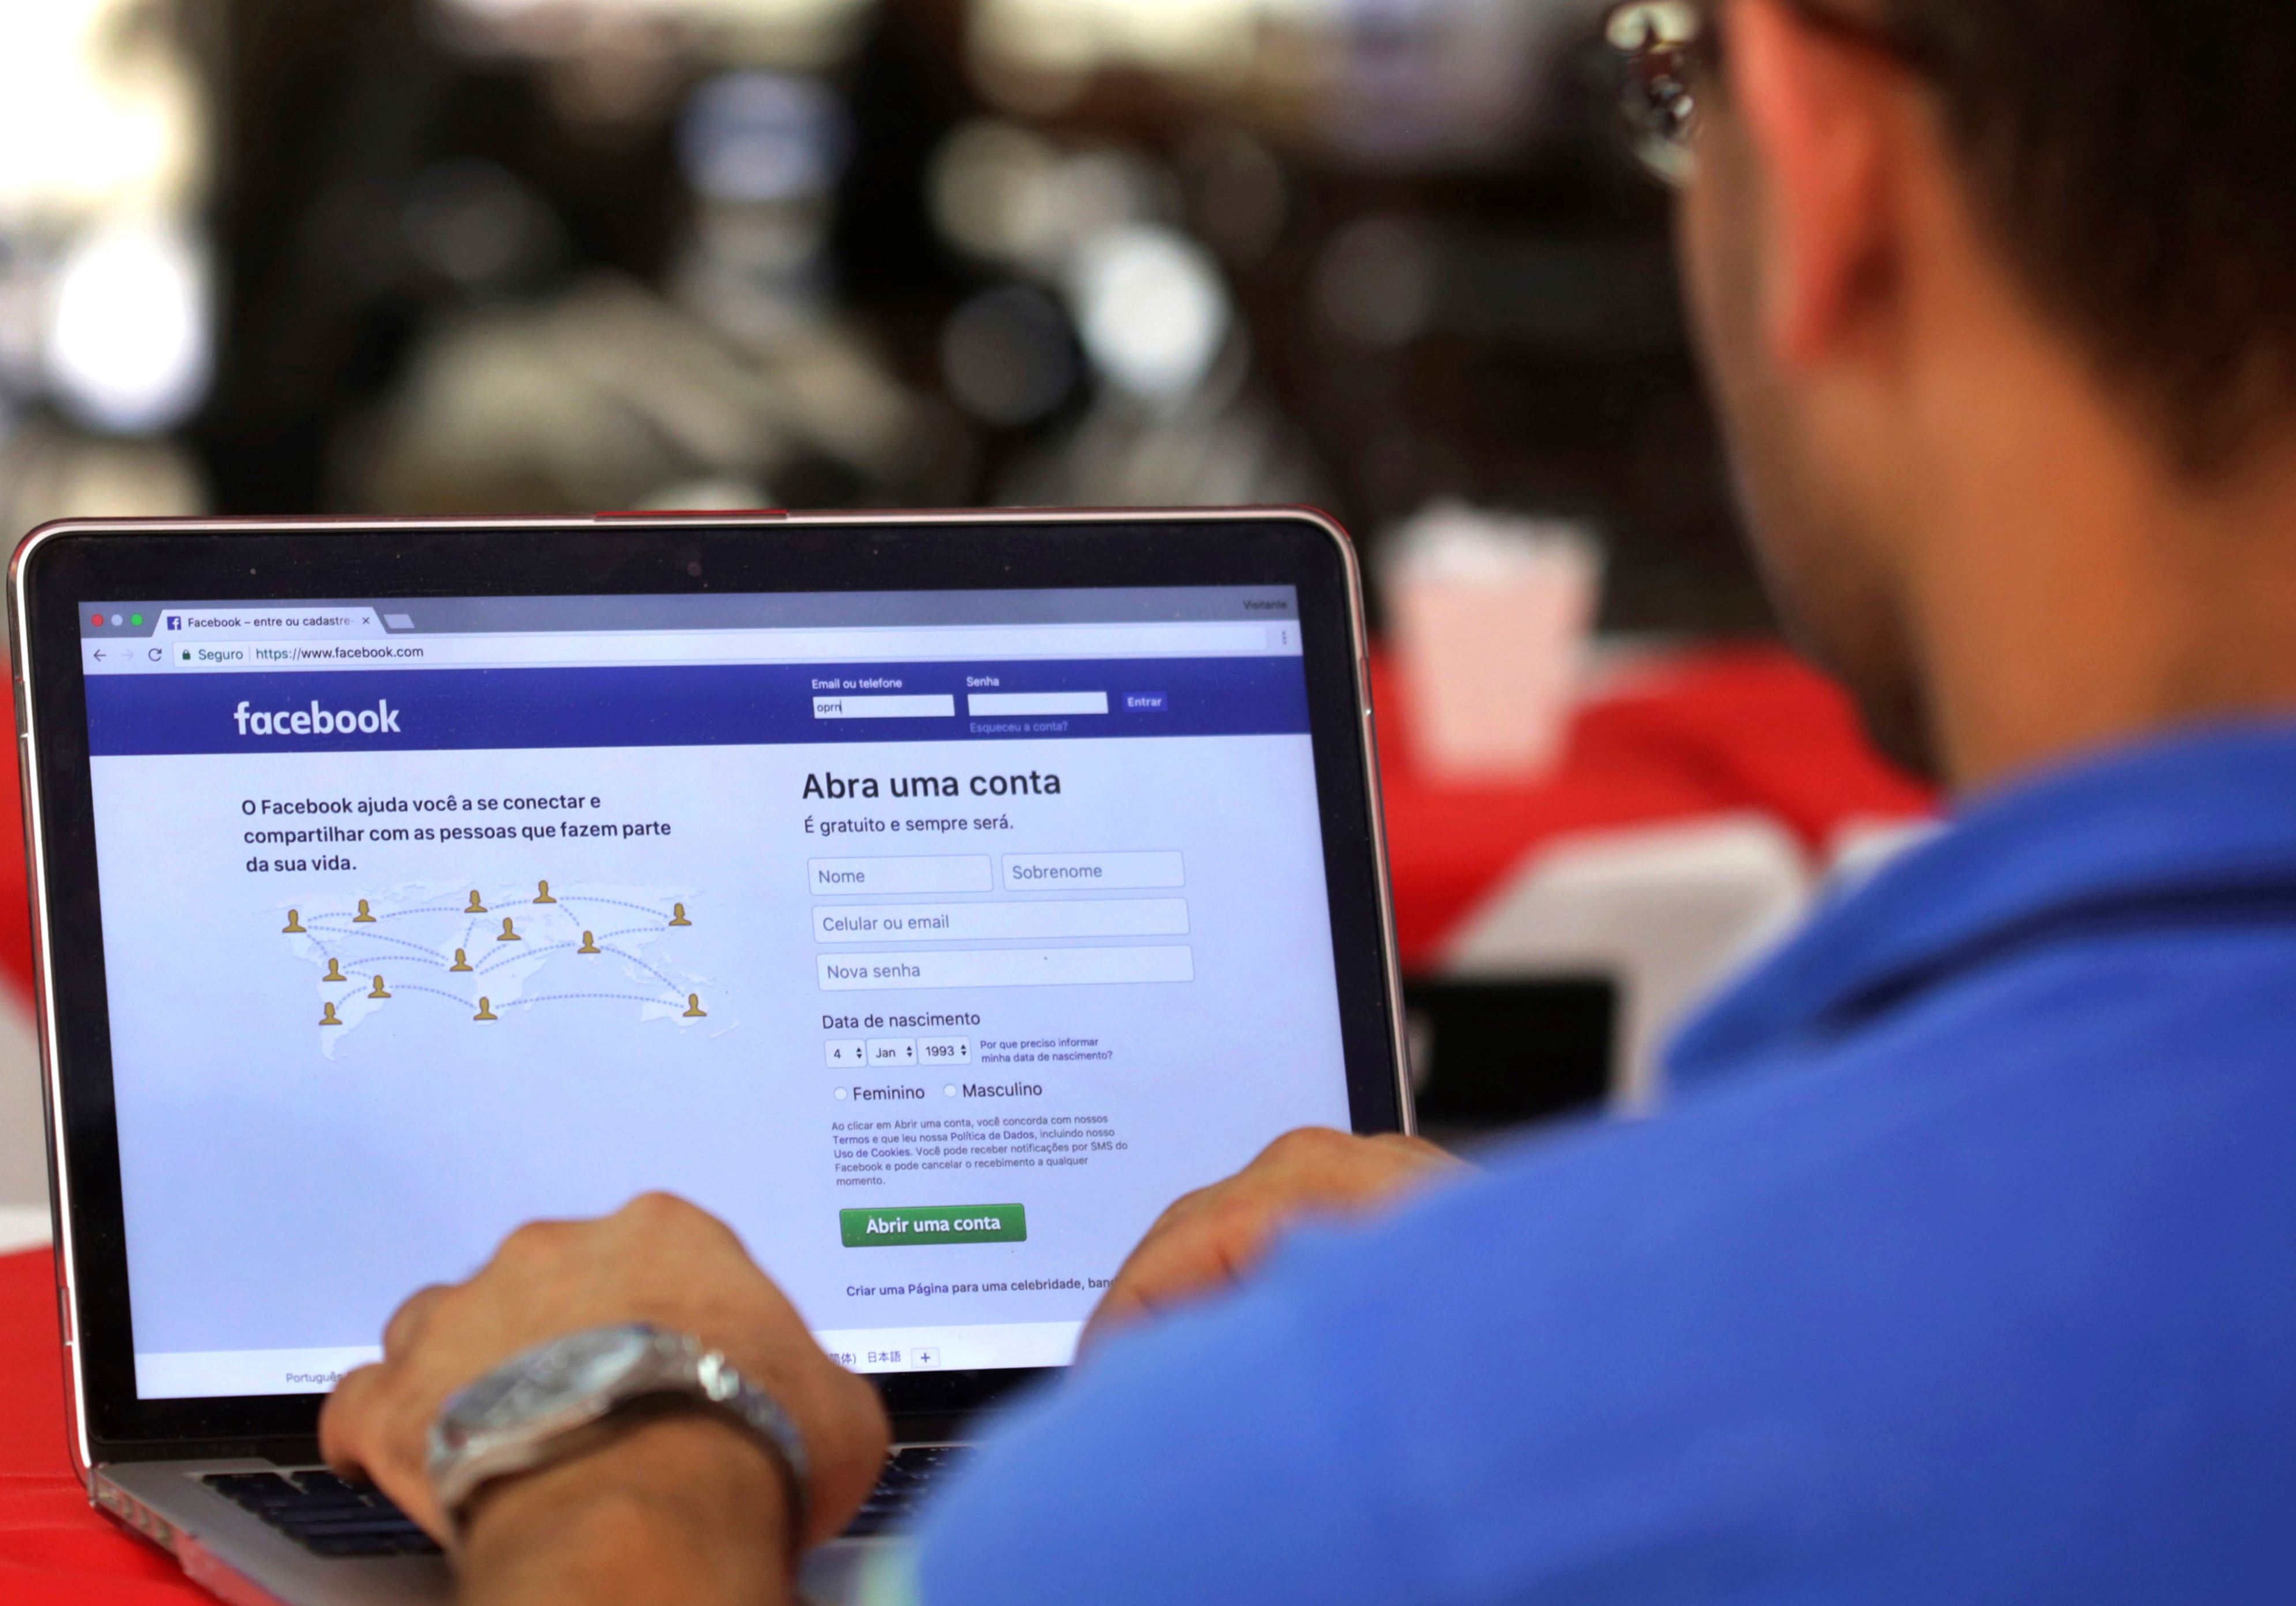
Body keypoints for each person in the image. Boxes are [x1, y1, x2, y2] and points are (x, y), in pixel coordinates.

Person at [321, 1, 2296, 1599]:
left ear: (1829, 152)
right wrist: (1557, 1297)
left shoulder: (1289, 1498)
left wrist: (618, 1461)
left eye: (1672, 83)